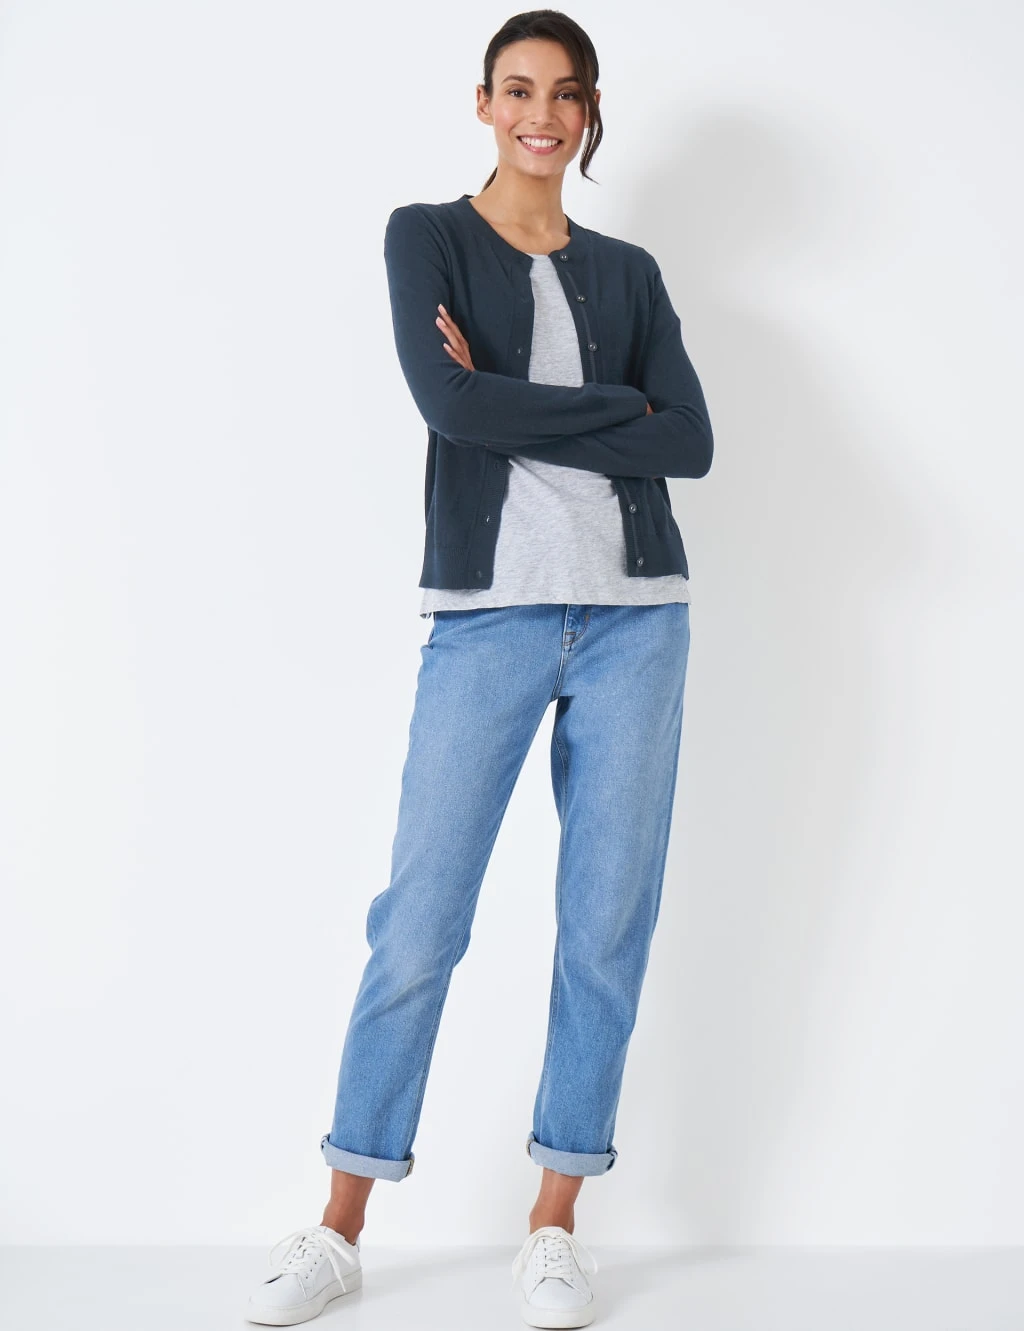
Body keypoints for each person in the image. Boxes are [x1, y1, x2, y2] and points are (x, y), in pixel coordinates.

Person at [245, 10, 713, 1328]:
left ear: (590, 110)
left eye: (564, 94)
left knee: (605, 927)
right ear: (484, 102)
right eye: (518, 90)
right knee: (420, 923)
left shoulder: (629, 270)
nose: (541, 116)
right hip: (489, 619)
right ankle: (342, 1222)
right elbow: (449, 407)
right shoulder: (429, 236)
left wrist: (538, 409)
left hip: (637, 623)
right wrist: (620, 410)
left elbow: (692, 443)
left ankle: (555, 1225)